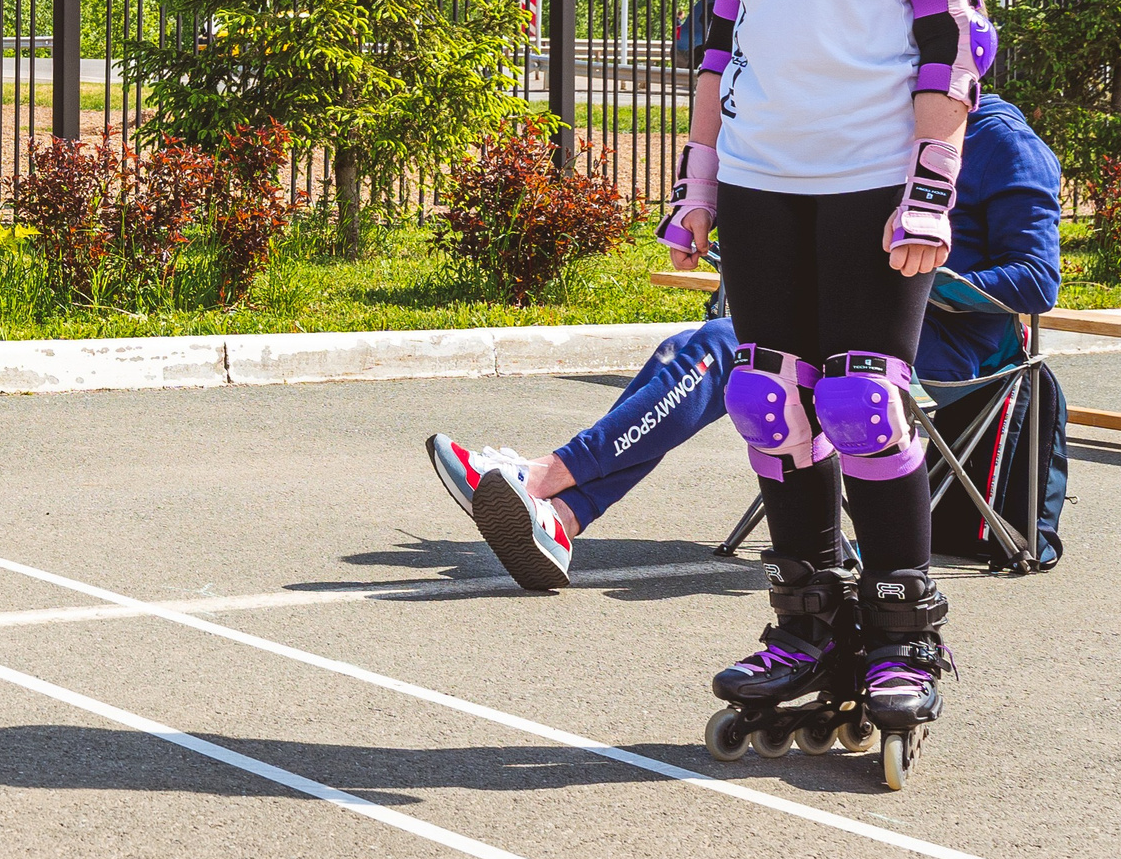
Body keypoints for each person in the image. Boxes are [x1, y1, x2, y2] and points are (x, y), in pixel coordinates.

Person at [668, 0, 986, 786]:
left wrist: (931, 189)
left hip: (871, 182)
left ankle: (904, 632)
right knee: (768, 400)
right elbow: (719, 40)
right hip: (761, 179)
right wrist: (698, 183)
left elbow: (953, 40)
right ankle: (806, 618)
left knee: (863, 398)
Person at [427, 92, 1060, 592]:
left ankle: (543, 479)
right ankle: (562, 520)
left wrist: (914, 278)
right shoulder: (875, 135)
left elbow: (1038, 280)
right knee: (709, 348)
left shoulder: (1002, 143)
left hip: (950, 352)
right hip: (843, 322)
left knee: (726, 346)